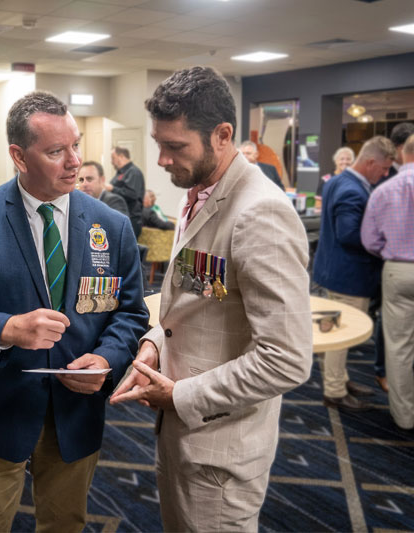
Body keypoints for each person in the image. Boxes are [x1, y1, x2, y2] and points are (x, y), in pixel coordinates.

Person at [0, 91, 147, 532]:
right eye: (56, 151)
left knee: (65, 524)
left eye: (76, 146)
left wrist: (106, 359)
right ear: (18, 156)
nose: (74, 163)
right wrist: (6, 327)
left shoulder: (111, 225)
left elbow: (129, 314)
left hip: (76, 410)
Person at [110, 66, 312, 531]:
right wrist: (155, 343)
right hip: (180, 434)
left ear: (222, 136)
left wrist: (181, 394)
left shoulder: (259, 213)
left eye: (175, 146)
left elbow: (287, 359)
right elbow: (196, 300)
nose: (160, 160)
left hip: (221, 448)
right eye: (158, 143)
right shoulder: (201, 194)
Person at [312, 135, 395, 412]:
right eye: (383, 169)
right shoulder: (352, 189)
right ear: (370, 162)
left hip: (334, 271)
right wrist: (383, 241)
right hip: (348, 276)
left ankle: (340, 380)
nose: (385, 175)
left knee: (333, 330)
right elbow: (349, 234)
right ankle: (334, 391)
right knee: (340, 336)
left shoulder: (337, 181)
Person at [361, 133, 414, 430]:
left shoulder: (383, 190)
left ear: (403, 154)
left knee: (399, 346)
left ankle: (405, 417)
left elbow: (369, 240)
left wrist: (393, 253)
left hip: (397, 270)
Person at [108, 146, 145, 237]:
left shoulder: (133, 172)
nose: (111, 162)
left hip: (131, 220)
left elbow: (132, 194)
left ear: (121, 156)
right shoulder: (120, 173)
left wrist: (112, 189)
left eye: (113, 158)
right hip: (120, 218)